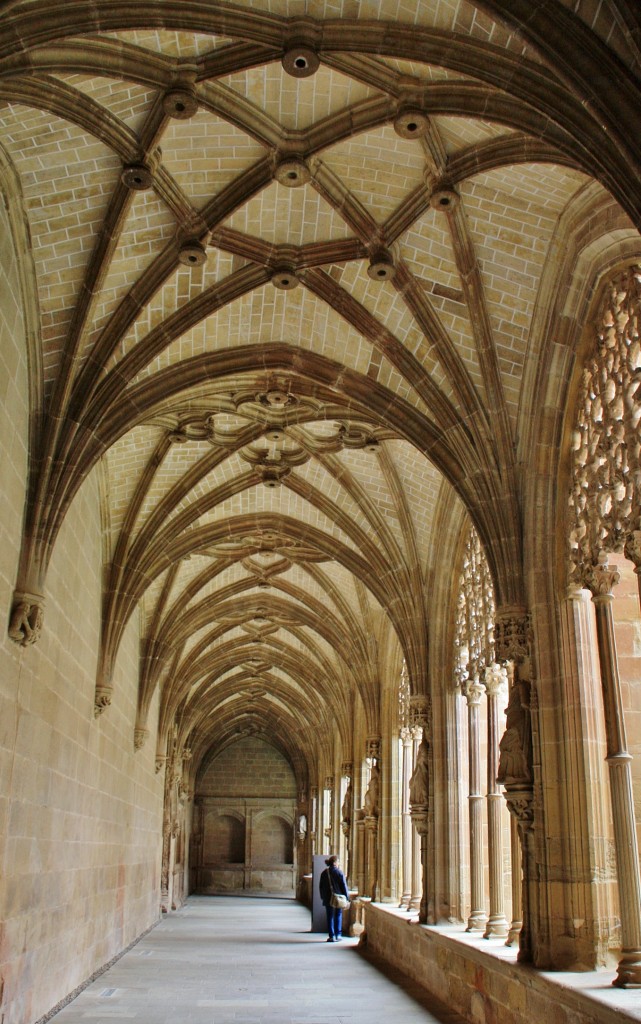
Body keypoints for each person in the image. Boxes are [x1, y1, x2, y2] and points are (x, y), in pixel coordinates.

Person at [319, 854, 350, 942]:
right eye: (338, 862)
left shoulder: (324, 873)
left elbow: (321, 886)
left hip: (328, 898)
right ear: (335, 863)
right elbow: (344, 886)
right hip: (338, 897)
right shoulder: (339, 872)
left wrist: (323, 897)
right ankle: (338, 934)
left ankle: (331, 936)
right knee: (338, 914)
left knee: (330, 916)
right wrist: (347, 898)